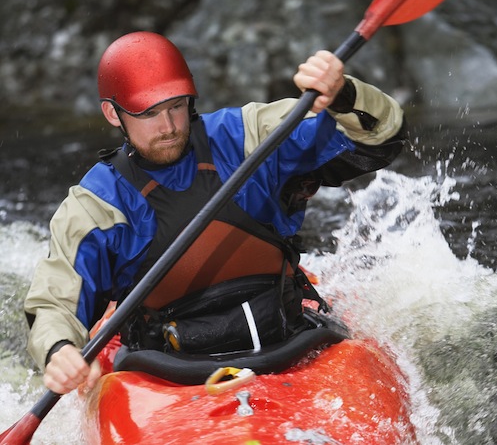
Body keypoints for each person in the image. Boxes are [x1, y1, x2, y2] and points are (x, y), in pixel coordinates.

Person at [24, 31, 407, 395]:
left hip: (293, 345)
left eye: (177, 106)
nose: (170, 126)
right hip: (169, 373)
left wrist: (344, 94)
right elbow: (55, 301)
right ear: (113, 114)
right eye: (149, 113)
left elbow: (381, 138)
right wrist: (58, 349)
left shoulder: (247, 137)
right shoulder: (97, 204)